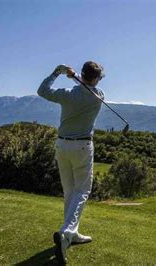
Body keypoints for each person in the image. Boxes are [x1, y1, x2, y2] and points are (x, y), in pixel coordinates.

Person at [37, 61, 105, 264]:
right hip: (83, 147)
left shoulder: (67, 94)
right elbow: (92, 87)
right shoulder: (98, 97)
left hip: (62, 146)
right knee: (82, 191)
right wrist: (78, 78)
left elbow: (42, 90)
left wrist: (58, 72)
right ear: (94, 79)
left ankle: (71, 235)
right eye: (99, 78)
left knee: (69, 191)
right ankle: (67, 232)